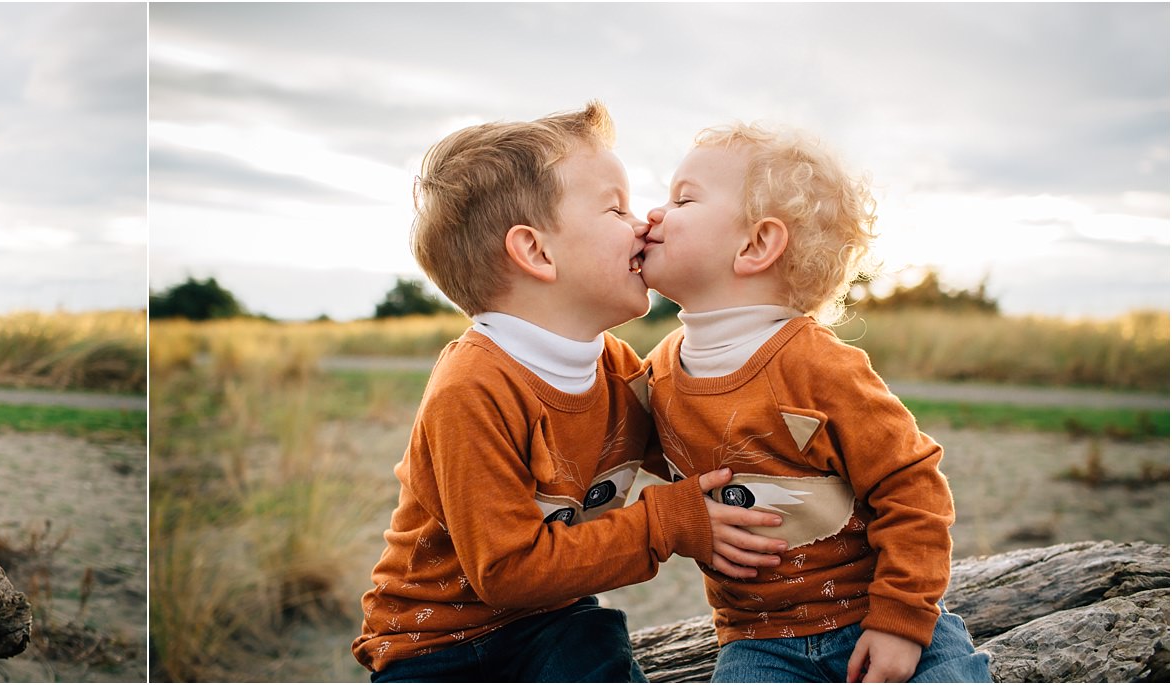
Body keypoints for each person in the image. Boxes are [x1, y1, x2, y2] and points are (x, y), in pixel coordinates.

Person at [351, 102, 786, 682]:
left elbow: (700, 450)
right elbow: (505, 569)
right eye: (615, 207)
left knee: (593, 638)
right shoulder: (474, 386)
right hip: (434, 643)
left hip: (553, 619)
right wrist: (665, 524)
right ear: (536, 252)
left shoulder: (621, 371)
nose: (643, 223)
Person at [637, 122, 991, 682]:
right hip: (760, 642)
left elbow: (911, 485)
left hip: (872, 611)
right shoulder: (656, 372)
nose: (652, 214)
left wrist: (900, 620)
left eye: (682, 199)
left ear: (756, 244)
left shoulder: (819, 366)